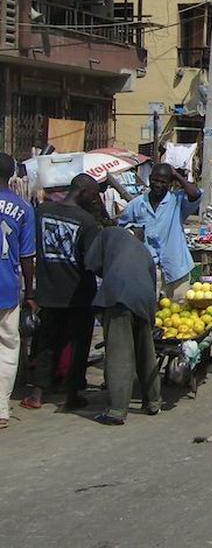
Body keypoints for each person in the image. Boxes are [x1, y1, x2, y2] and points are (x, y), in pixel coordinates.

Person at [21, 174, 101, 411]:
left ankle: (37, 394)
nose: (96, 200)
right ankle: (73, 395)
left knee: (46, 344)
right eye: (94, 195)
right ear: (84, 192)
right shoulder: (86, 222)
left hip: (48, 292)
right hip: (79, 294)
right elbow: (93, 260)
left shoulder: (42, 211)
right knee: (78, 346)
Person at [85, 226, 161, 424]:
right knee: (146, 351)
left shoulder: (108, 233)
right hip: (145, 300)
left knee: (119, 353)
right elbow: (152, 284)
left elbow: (91, 264)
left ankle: (116, 410)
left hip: (118, 296)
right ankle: (153, 401)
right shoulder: (144, 252)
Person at [118, 163, 201, 300]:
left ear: (170, 183)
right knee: (150, 315)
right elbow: (121, 230)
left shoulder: (177, 201)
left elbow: (195, 194)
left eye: (163, 182)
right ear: (150, 179)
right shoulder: (136, 205)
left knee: (178, 315)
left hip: (176, 269)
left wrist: (176, 175)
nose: (158, 185)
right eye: (155, 180)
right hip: (147, 270)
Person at [0, 153, 36, 430]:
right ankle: (1, 409)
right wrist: (31, 291)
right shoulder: (23, 208)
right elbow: (27, 256)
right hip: (7, 289)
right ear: (13, 175)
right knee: (7, 349)